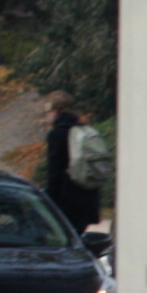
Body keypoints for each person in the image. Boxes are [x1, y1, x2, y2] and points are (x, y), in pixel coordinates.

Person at [40, 93, 102, 233]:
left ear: (55, 111)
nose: (46, 116)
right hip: (88, 199)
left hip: (66, 203)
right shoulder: (85, 131)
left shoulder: (57, 135)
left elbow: (55, 172)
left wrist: (50, 203)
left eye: (47, 112)